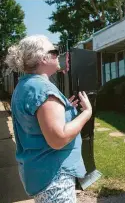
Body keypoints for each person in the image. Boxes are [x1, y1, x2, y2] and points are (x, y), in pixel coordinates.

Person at [5, 35, 92, 202]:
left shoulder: (25, 85)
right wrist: (86, 114)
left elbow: (36, 125)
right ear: (43, 58)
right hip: (55, 176)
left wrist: (66, 113)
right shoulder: (43, 89)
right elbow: (58, 139)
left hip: (40, 173)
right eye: (54, 51)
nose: (58, 55)